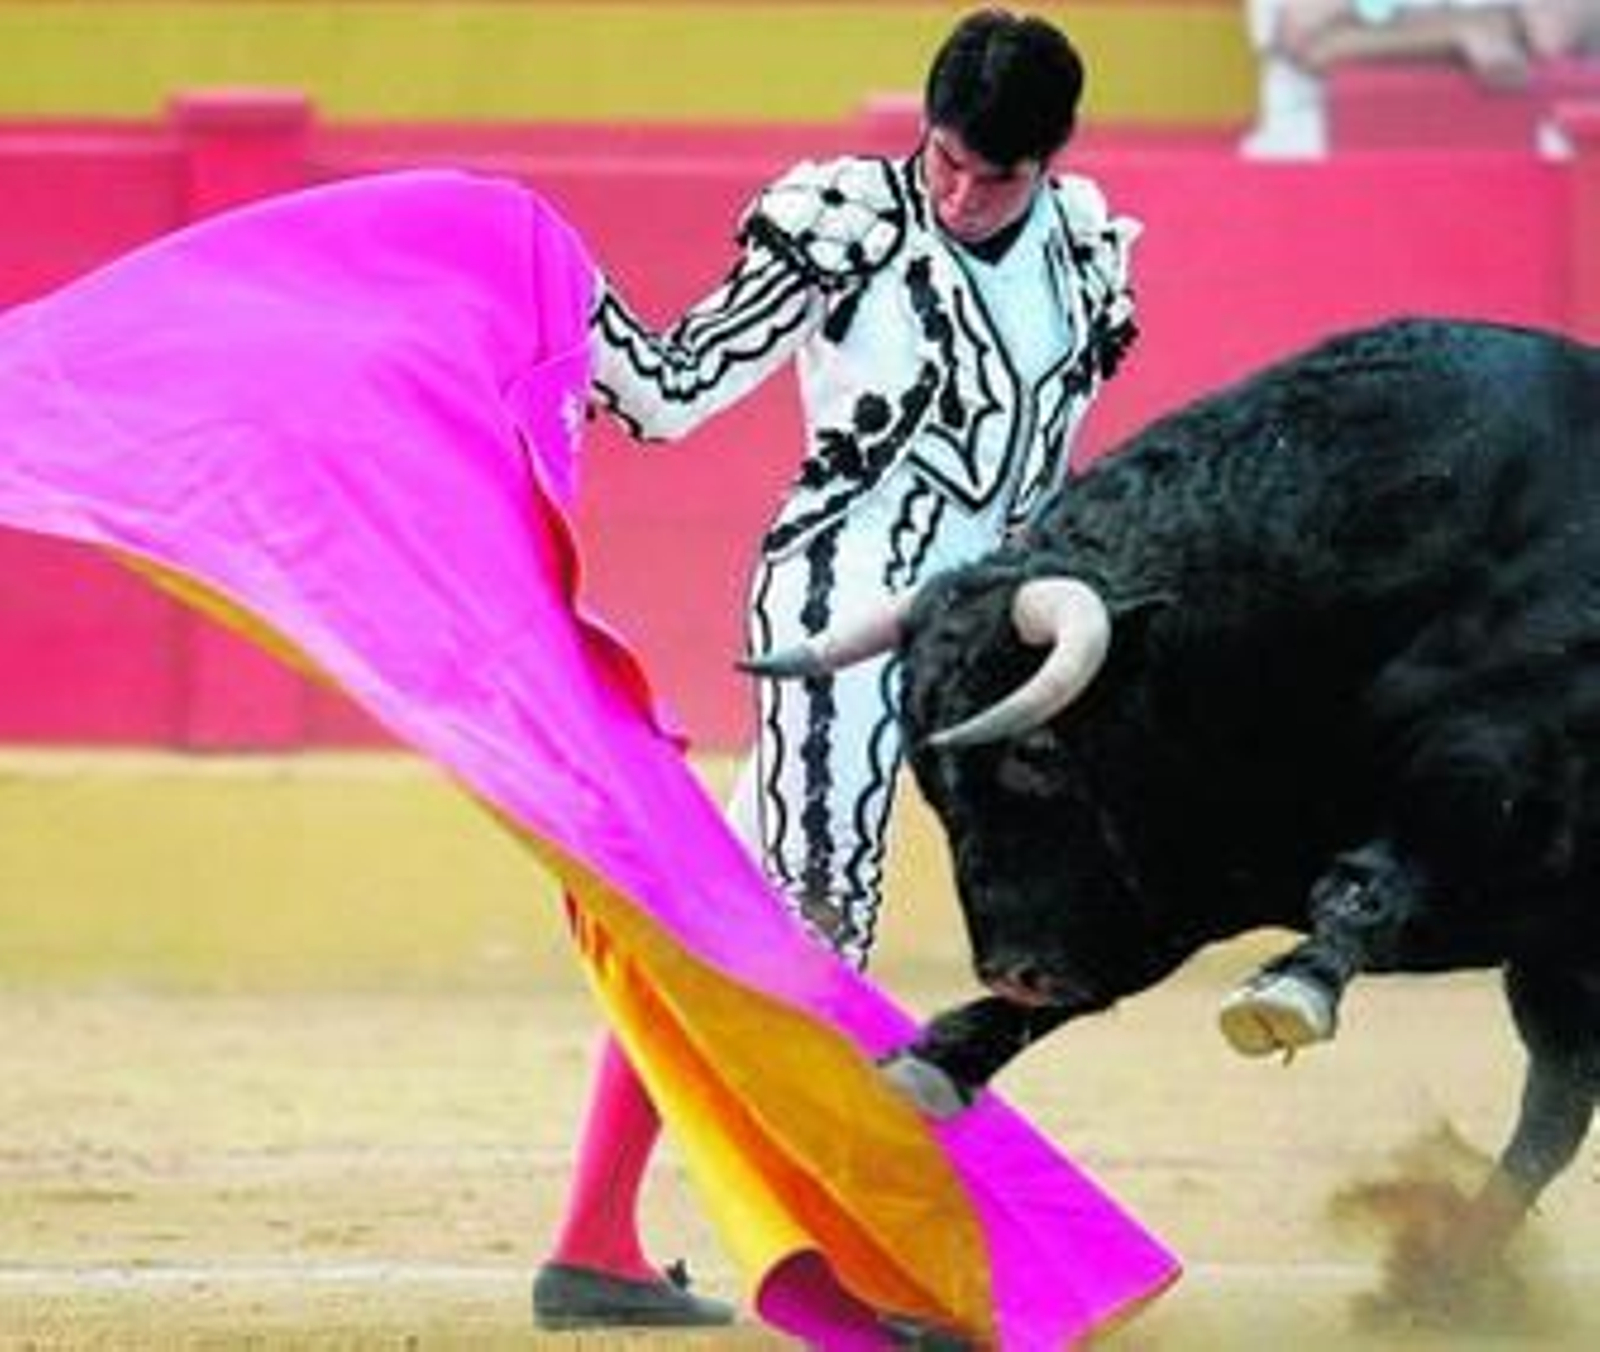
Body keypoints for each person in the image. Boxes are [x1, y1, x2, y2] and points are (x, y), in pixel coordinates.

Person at [531, 7, 1141, 1334]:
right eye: (946, 161)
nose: (961, 196)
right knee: (818, 922)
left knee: (715, 924)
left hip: (984, 631)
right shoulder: (848, 222)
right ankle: (863, 1260)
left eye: (996, 177)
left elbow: (1050, 470)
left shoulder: (1090, 254)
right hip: (839, 608)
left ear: (1052, 160)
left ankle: (592, 1245)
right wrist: (547, 285)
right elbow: (671, 389)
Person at [1240, 0, 1600, 158]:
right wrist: (1459, 33)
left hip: (1524, 150)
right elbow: (1305, 34)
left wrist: (1356, 19)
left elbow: (1551, 30)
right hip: (1322, 153)